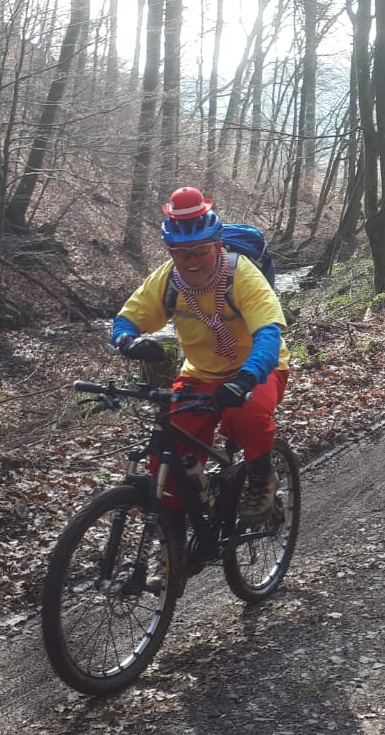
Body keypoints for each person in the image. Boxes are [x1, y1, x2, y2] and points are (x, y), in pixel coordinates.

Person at [110, 186, 289, 524]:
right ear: (170, 252)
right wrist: (126, 341)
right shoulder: (167, 279)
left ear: (218, 246)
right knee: (170, 454)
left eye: (200, 250)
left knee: (246, 417)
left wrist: (246, 378)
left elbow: (269, 334)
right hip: (200, 373)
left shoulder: (243, 275)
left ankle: (261, 474)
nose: (191, 260)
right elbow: (127, 319)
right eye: (181, 253)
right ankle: (173, 543)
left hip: (258, 369)